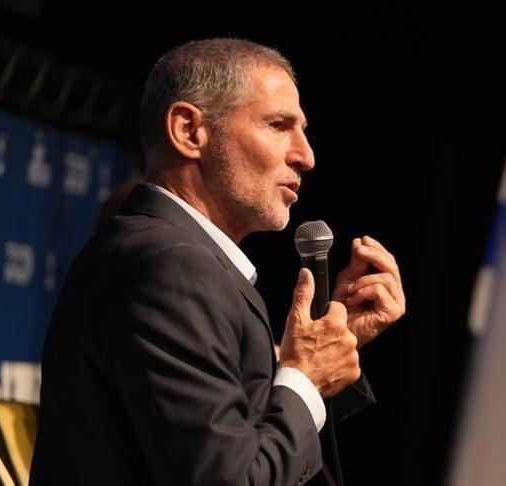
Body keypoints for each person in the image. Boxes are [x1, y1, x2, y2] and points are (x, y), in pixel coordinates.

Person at [30, 38, 406, 486]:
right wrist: (306, 378)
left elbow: (236, 438)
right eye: (279, 125)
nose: (306, 156)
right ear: (189, 131)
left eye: (303, 130)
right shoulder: (170, 267)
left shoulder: (173, 258)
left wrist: (328, 348)